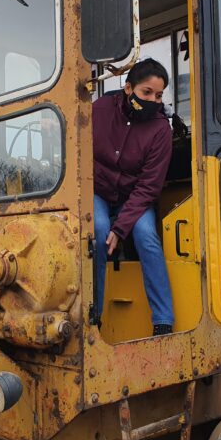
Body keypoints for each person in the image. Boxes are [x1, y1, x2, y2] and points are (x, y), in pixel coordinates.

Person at [92, 58, 175, 336]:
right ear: (128, 88)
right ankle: (95, 315)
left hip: (134, 197)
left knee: (146, 236)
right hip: (99, 190)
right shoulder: (100, 110)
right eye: (146, 93)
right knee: (98, 230)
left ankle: (163, 320)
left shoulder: (161, 129)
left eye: (159, 95)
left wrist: (122, 226)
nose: (153, 100)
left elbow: (149, 186)